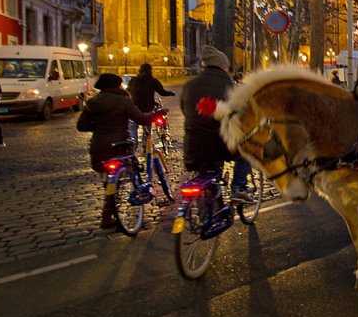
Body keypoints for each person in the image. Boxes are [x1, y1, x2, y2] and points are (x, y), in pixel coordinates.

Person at [76, 73, 166, 228]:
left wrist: (99, 126)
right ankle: (130, 201)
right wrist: (157, 114)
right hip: (120, 146)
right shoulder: (123, 101)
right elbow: (141, 119)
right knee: (131, 170)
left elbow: (82, 126)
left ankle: (107, 216)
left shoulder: (92, 103)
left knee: (109, 183)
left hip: (99, 148)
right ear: (117, 86)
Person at [181, 45, 253, 203]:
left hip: (193, 146)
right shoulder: (231, 87)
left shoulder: (189, 85)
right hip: (221, 144)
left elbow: (185, 111)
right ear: (223, 66)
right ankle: (239, 187)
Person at [126, 63, 175, 144]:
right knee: (147, 127)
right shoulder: (153, 81)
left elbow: (128, 90)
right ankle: (146, 145)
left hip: (134, 108)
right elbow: (162, 92)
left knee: (133, 128)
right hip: (147, 107)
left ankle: (133, 145)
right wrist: (171, 93)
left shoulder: (134, 80)